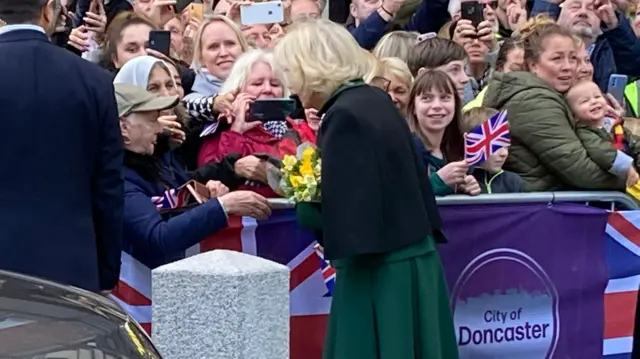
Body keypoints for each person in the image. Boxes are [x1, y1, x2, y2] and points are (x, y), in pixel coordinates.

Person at [273, 18, 458, 359]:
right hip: (409, 262)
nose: (292, 87)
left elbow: (351, 214)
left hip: (381, 274)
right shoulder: (374, 100)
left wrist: (305, 204)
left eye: (290, 73)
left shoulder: (345, 116)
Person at [0, 0, 124, 293]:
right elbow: (108, 187)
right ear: (48, 9)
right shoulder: (93, 80)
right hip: (70, 266)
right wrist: (105, 273)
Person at [460, 107, 525, 193]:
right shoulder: (457, 183)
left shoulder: (514, 182)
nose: (504, 153)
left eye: (506, 146)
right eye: (496, 146)